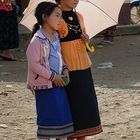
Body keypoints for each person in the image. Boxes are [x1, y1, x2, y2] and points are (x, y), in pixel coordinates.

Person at [55, 0, 102, 140]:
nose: (76, 0)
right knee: (71, 104)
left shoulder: (79, 16)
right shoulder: (55, 16)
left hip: (84, 65)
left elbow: (85, 43)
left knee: (84, 104)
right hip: (66, 68)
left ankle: (82, 136)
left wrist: (86, 39)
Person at [26, 2, 74, 139]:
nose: (61, 20)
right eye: (57, 16)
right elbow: (34, 64)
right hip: (46, 87)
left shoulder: (56, 36)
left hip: (58, 84)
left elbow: (59, 57)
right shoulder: (37, 40)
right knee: (48, 119)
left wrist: (65, 69)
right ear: (45, 17)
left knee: (61, 118)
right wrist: (54, 77)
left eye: (61, 16)